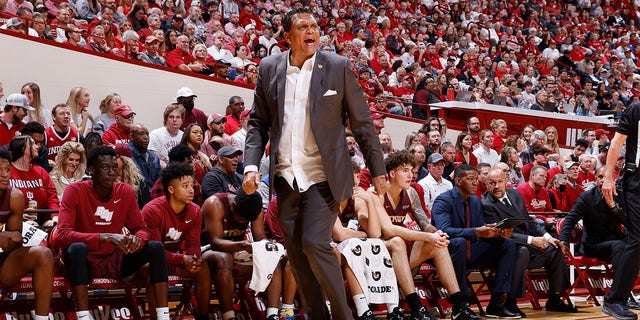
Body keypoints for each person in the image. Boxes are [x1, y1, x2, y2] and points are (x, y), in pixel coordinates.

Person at [242, 8, 386, 319]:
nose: (311, 31)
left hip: (326, 176)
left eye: (315, 26)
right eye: (303, 26)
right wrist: (250, 166)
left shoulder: (338, 66)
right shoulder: (269, 68)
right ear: (287, 37)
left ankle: (345, 315)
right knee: (296, 253)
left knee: (314, 241)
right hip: (286, 175)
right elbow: (257, 123)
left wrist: (378, 170)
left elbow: (362, 123)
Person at [54, 146, 170, 320]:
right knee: (76, 248)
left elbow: (142, 228)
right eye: (105, 168)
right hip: (83, 261)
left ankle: (163, 315)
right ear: (92, 170)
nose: (112, 172)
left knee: (155, 247)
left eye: (115, 168)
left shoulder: (125, 191)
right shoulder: (75, 191)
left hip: (114, 260)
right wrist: (105, 237)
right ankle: (83, 316)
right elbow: (62, 235)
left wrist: (137, 240)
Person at [482, 168, 576, 317]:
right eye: (492, 183)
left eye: (500, 182)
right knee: (522, 251)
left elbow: (529, 221)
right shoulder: (486, 204)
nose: (497, 186)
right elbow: (500, 234)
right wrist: (532, 240)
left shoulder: (514, 194)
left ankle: (555, 298)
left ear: (506, 181)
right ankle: (511, 302)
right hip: (505, 250)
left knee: (556, 248)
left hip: (530, 245)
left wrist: (547, 237)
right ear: (486, 184)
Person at [431, 164, 518, 318]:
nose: (475, 183)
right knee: (459, 242)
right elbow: (444, 231)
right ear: (458, 180)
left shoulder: (475, 201)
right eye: (470, 179)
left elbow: (480, 229)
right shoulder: (443, 201)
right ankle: (461, 303)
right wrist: (477, 231)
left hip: (471, 250)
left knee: (508, 243)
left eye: (476, 179)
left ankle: (496, 302)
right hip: (447, 252)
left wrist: (496, 232)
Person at [201, 189, 284, 320]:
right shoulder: (215, 204)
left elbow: (260, 237)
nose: (242, 221)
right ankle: (229, 316)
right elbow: (215, 242)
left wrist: (269, 246)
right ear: (234, 205)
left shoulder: (255, 208)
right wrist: (242, 245)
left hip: (236, 251)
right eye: (240, 218)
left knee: (272, 258)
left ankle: (272, 314)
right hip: (208, 252)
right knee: (225, 258)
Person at [142, 162, 211, 320]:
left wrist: (195, 259)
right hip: (145, 260)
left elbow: (193, 243)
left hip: (171, 260)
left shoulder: (195, 211)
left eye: (192, 185)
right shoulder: (152, 211)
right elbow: (152, 250)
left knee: (203, 268)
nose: (191, 190)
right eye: (185, 186)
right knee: (156, 268)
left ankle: (203, 316)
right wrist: (181, 259)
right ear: (171, 189)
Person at [0, 148, 54, 320]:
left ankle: (42, 318)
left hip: (2, 260)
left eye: (7, 169)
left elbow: (14, 241)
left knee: (43, 254)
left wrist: (8, 239)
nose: (4, 175)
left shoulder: (14, 196)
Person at [602, 102, 640, 319]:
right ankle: (614, 299)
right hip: (636, 182)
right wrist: (608, 176)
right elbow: (616, 144)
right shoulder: (636, 110)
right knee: (637, 240)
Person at [9, 135, 59, 226]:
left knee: (54, 225)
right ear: (22, 147)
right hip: (15, 219)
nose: (37, 146)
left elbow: (52, 197)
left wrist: (55, 216)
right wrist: (19, 214)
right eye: (32, 144)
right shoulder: (7, 172)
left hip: (42, 218)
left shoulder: (41, 172)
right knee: (31, 225)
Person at [128, 124, 161, 206]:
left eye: (147, 134)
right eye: (141, 134)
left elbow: (159, 180)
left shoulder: (153, 157)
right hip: (136, 197)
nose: (146, 137)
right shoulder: (127, 156)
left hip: (153, 197)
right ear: (132, 137)